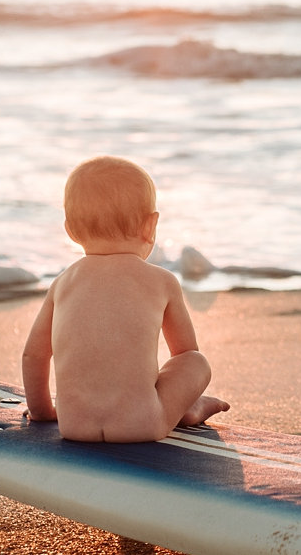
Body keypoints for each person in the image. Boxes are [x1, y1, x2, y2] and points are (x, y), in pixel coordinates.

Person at [21, 155, 229, 442]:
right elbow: (184, 354)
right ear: (150, 226)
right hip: (143, 425)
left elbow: (34, 355)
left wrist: (43, 412)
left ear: (69, 230)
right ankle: (187, 409)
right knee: (196, 362)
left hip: (74, 427)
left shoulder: (61, 284)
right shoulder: (163, 281)